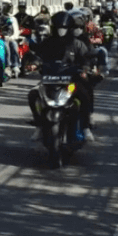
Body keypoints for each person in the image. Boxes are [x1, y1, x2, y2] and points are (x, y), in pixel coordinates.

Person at [27, 11, 98, 141]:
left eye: (64, 28)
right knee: (33, 94)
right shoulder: (48, 43)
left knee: (84, 94)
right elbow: (39, 56)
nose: (61, 31)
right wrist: (34, 64)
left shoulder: (77, 44)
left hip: (71, 81)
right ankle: (39, 125)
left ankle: (86, 127)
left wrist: (85, 69)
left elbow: (87, 58)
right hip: (50, 80)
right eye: (59, 28)